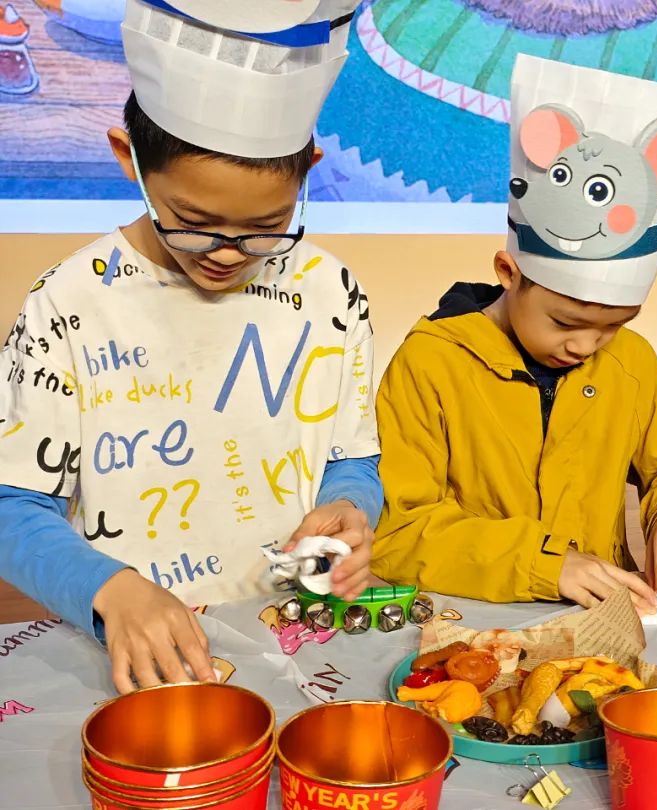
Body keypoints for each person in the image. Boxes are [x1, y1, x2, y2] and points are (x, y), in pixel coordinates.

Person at [0, 0, 380, 692]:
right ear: (129, 159)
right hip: (143, 657)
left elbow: (351, 458)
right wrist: (111, 589)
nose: (227, 253)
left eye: (266, 227)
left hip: (298, 636)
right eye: (193, 222)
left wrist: (351, 509)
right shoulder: (70, 304)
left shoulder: (331, 293)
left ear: (308, 170)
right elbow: (14, 507)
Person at [371, 55, 657, 612]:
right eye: (565, 323)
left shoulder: (630, 362)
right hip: (476, 623)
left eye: (613, 325)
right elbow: (400, 531)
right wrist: (542, 565)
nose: (585, 346)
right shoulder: (430, 364)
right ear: (508, 272)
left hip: (603, 621)